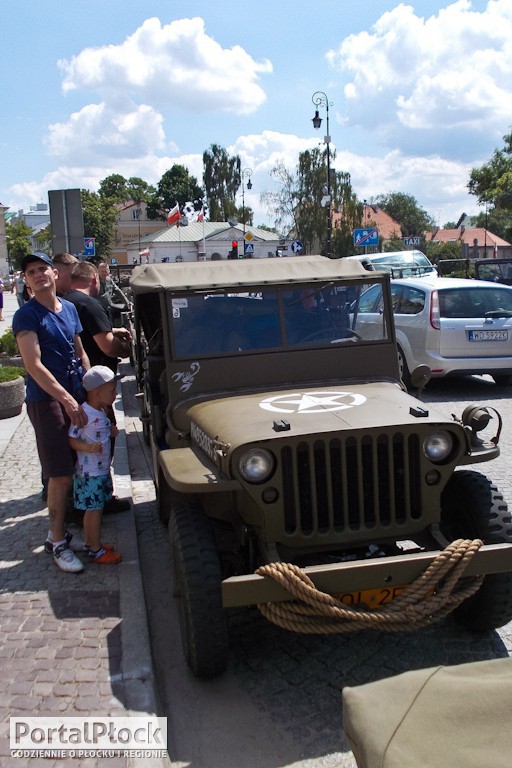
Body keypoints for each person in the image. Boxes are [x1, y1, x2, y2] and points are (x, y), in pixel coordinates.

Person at [12, 253, 90, 573]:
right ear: (27, 282)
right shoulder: (26, 316)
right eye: (31, 272)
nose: (39, 274)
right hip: (46, 402)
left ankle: (76, 529)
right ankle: (56, 542)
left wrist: (92, 394)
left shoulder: (69, 308)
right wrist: (67, 402)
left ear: (55, 274)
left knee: (78, 463)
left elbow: (80, 352)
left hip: (75, 394)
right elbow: (34, 365)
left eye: (42, 268)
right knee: (59, 473)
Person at [64, 260, 132, 513]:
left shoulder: (65, 302)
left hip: (78, 384)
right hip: (98, 387)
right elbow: (106, 345)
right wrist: (124, 348)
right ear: (94, 279)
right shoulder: (90, 304)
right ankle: (99, 502)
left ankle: (82, 501)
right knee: (103, 441)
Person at [68, 366, 123, 564]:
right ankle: (95, 549)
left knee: (96, 509)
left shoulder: (100, 411)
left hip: (100, 470)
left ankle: (90, 544)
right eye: (112, 391)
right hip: (90, 472)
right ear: (97, 392)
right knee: (94, 511)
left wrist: (111, 432)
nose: (116, 394)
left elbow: (100, 432)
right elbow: (71, 439)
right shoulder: (84, 414)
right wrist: (87, 447)